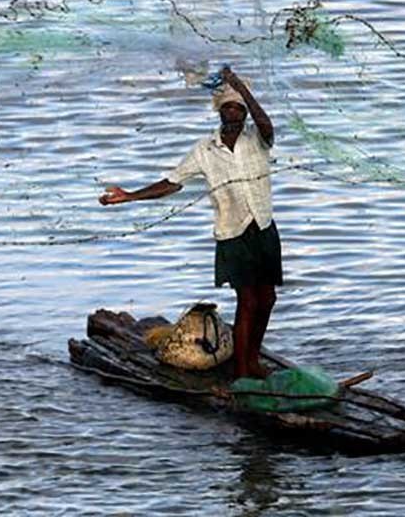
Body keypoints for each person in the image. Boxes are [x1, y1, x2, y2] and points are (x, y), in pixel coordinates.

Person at [99, 66, 282, 379]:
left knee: (267, 298)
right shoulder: (205, 149)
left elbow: (266, 124)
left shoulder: (258, 139)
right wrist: (129, 196)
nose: (234, 112)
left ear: (246, 112)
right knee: (248, 300)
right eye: (228, 106)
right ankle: (241, 372)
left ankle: (251, 359)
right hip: (232, 233)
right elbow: (172, 183)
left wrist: (241, 86)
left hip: (263, 227)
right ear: (220, 112)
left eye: (239, 107)